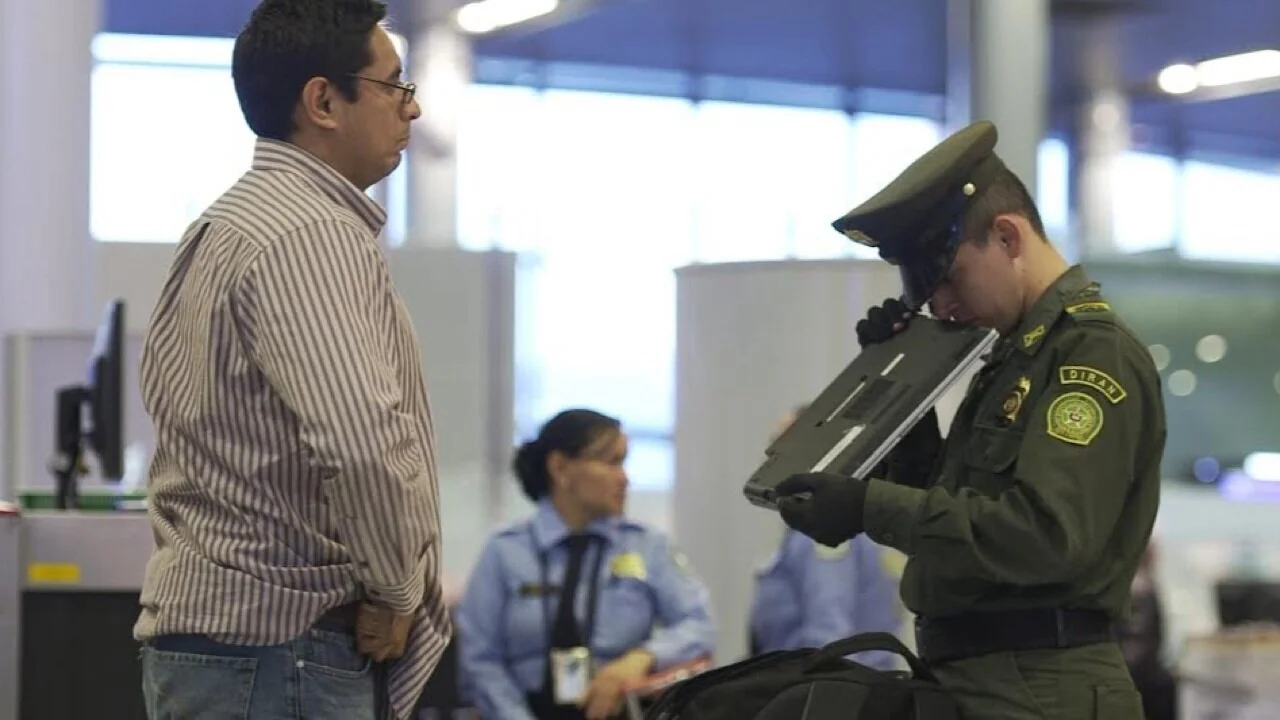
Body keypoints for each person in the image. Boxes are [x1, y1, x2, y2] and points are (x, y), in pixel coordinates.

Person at [773, 120, 1168, 719]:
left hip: (1039, 687)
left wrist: (867, 507)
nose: (942, 306)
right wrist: (900, 395)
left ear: (1007, 237)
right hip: (981, 678)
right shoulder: (1013, 357)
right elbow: (956, 513)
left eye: (949, 278)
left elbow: (1043, 536)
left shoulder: (1089, 354)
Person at [133, 2, 449, 719]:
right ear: (323, 102)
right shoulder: (309, 232)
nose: (413, 108)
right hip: (283, 652)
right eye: (394, 85)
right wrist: (396, 588)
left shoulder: (230, 222)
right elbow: (361, 442)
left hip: (235, 652)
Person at [456, 409, 717, 720]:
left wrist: (640, 659)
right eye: (611, 462)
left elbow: (699, 625)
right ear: (560, 467)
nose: (624, 478)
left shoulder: (648, 546)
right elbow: (479, 658)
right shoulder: (504, 551)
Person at [748, 407, 902, 670]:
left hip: (830, 685)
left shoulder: (821, 532)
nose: (769, 457)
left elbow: (830, 637)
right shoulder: (844, 520)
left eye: (780, 446)